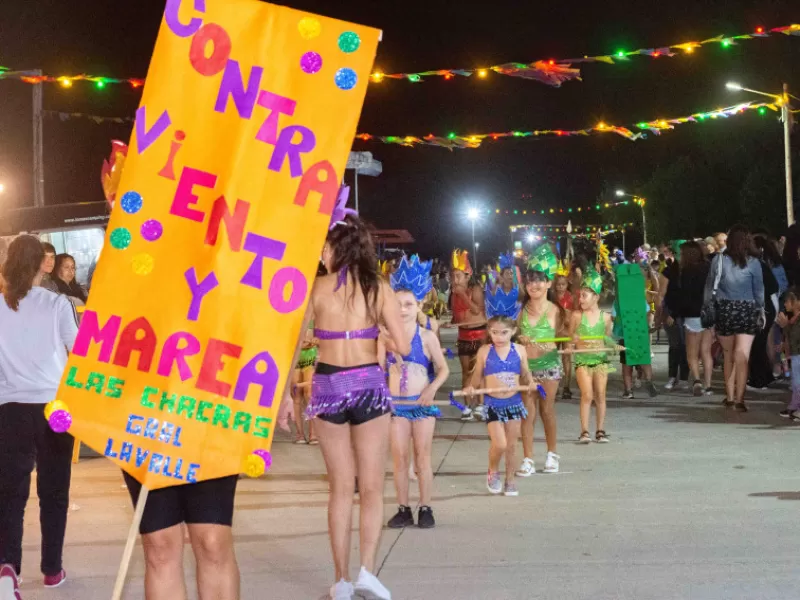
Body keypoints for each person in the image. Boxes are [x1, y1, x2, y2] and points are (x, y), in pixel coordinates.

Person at [295, 211, 409, 600]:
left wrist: (282, 397)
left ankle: (341, 580)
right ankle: (367, 573)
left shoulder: (316, 288)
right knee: (373, 487)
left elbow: (293, 345)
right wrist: (382, 336)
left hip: (327, 384)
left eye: (325, 247)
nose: (322, 253)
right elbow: (405, 346)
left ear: (336, 249)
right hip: (367, 384)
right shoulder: (378, 287)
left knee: (340, 489)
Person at [0, 235, 79, 589]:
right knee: (54, 491)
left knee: (10, 493)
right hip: (54, 407)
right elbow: (78, 350)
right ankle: (51, 569)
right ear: (38, 266)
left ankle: (7, 568)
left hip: (9, 409)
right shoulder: (57, 304)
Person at [382, 256, 449, 530]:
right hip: (396, 406)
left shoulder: (427, 337)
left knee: (422, 456)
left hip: (421, 405)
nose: (403, 309)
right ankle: (402, 508)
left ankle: (425, 506)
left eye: (409, 304)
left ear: (420, 305)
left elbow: (442, 369)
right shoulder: (383, 336)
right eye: (397, 304)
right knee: (399, 459)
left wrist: (431, 389)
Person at [464, 316, 533, 497]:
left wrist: (531, 382)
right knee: (500, 444)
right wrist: (472, 386)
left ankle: (510, 479)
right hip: (492, 403)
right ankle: (493, 470)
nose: (499, 337)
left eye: (504, 333)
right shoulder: (485, 351)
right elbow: (477, 374)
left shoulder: (520, 350)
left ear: (513, 331)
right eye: (494, 333)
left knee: (511, 445)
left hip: (514, 403)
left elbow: (525, 372)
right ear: (489, 332)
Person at [704, 225, 764, 412]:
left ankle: (729, 396)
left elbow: (709, 287)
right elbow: (759, 291)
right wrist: (760, 309)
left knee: (728, 354)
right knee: (742, 355)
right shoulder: (754, 263)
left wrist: (707, 310)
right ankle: (740, 399)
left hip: (725, 310)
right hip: (747, 309)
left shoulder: (719, 260)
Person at [516, 245, 564, 476]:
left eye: (540, 280)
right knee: (527, 412)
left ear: (548, 283)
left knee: (547, 410)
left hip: (549, 367)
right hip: (526, 369)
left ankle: (552, 454)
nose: (534, 285)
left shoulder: (556, 311)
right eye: (530, 281)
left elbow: (565, 339)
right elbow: (508, 336)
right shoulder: (520, 312)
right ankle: (527, 458)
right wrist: (517, 338)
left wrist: (555, 344)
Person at [570, 268, 614, 443]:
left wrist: (610, 345)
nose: (580, 299)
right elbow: (569, 340)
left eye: (584, 296)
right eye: (580, 295)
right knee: (587, 394)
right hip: (582, 360)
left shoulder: (606, 318)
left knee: (600, 394)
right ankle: (584, 431)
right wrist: (572, 341)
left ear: (596, 297)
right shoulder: (576, 316)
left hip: (600, 360)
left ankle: (600, 430)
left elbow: (608, 339)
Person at [450, 250, 486, 421]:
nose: (455, 279)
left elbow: (476, 309)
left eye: (458, 276)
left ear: (467, 276)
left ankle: (480, 405)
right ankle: (466, 406)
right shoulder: (453, 294)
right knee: (465, 373)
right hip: (463, 336)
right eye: (453, 276)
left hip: (479, 335)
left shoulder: (475, 289)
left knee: (480, 372)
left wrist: (462, 295)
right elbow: (456, 315)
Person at [676, 241, 713, 396]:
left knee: (692, 352)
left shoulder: (686, 271)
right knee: (706, 351)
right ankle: (708, 384)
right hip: (708, 314)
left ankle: (697, 380)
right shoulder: (708, 267)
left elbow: (684, 294)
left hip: (691, 314)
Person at [657, 245, 689, 390]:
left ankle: (684, 377)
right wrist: (665, 314)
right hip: (672, 313)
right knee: (675, 345)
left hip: (689, 313)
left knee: (686, 346)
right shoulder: (668, 272)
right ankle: (672, 376)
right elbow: (661, 295)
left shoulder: (692, 271)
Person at [776, 288, 800, 420]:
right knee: (796, 382)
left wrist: (785, 326)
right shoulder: (795, 318)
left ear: (795, 301)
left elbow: (795, 337)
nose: (785, 305)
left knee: (798, 383)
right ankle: (794, 406)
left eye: (786, 302)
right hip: (796, 355)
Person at [553, 272, 574, 399]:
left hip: (566, 331)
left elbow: (574, 314)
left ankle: (566, 386)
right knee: (553, 358)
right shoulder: (551, 297)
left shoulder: (570, 297)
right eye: (558, 285)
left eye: (563, 284)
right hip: (554, 333)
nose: (561, 287)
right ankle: (554, 386)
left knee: (566, 358)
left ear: (567, 285)